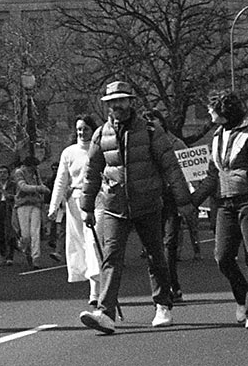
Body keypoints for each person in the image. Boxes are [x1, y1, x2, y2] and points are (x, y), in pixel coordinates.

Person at [78, 81, 190, 335]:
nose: (116, 105)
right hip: (114, 205)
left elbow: (171, 166)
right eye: (111, 102)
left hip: (148, 203)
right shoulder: (101, 134)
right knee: (111, 257)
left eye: (121, 100)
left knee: (155, 255)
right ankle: (105, 313)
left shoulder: (151, 130)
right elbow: (92, 172)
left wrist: (184, 202)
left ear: (131, 102)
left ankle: (162, 304)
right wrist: (86, 207)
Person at [190, 91, 248, 331]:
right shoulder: (216, 136)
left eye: (211, 109)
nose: (208, 112)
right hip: (224, 203)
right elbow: (211, 175)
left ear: (223, 111)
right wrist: (192, 201)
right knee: (223, 257)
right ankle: (242, 297)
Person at [49, 114, 102, 307]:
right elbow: (61, 180)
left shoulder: (99, 148)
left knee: (93, 243)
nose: (82, 132)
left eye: (85, 129)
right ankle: (95, 284)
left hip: (96, 200)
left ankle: (95, 291)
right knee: (80, 245)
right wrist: (54, 206)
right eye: (79, 129)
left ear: (92, 130)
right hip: (74, 203)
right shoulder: (68, 152)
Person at [142, 109, 190, 301]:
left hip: (172, 199)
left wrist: (187, 199)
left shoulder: (177, 144)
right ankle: (164, 286)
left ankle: (172, 286)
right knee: (154, 246)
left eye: (153, 121)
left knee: (169, 243)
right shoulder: (144, 144)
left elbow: (187, 172)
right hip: (153, 198)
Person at [11, 154, 50, 268]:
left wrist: (45, 189)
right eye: (32, 166)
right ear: (27, 166)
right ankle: (23, 247)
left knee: (35, 232)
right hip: (22, 204)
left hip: (36, 204)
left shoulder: (36, 173)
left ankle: (36, 257)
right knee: (26, 234)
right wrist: (38, 188)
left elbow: (40, 184)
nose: (34, 169)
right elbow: (23, 187)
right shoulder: (19, 173)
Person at [0, 163, 18, 264]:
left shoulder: (13, 184)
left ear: (8, 174)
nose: (2, 174)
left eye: (5, 172)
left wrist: (11, 196)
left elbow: (18, 196)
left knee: (10, 232)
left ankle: (10, 256)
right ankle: (3, 254)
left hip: (9, 208)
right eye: (0, 172)